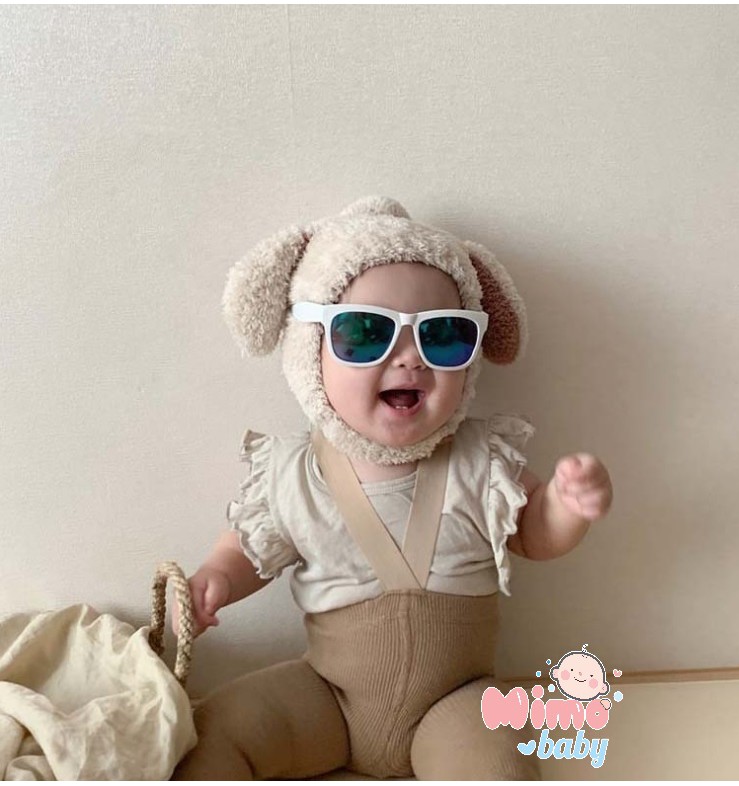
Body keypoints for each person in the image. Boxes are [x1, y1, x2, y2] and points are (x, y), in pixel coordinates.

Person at [173, 197, 613, 780]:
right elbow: (248, 547)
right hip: (328, 698)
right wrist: (217, 579)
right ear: (310, 349)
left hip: (455, 701)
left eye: (443, 336)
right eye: (365, 333)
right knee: (216, 731)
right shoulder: (292, 473)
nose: (409, 360)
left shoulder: (482, 461)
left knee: (498, 762)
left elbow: (533, 534)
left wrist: (564, 506)